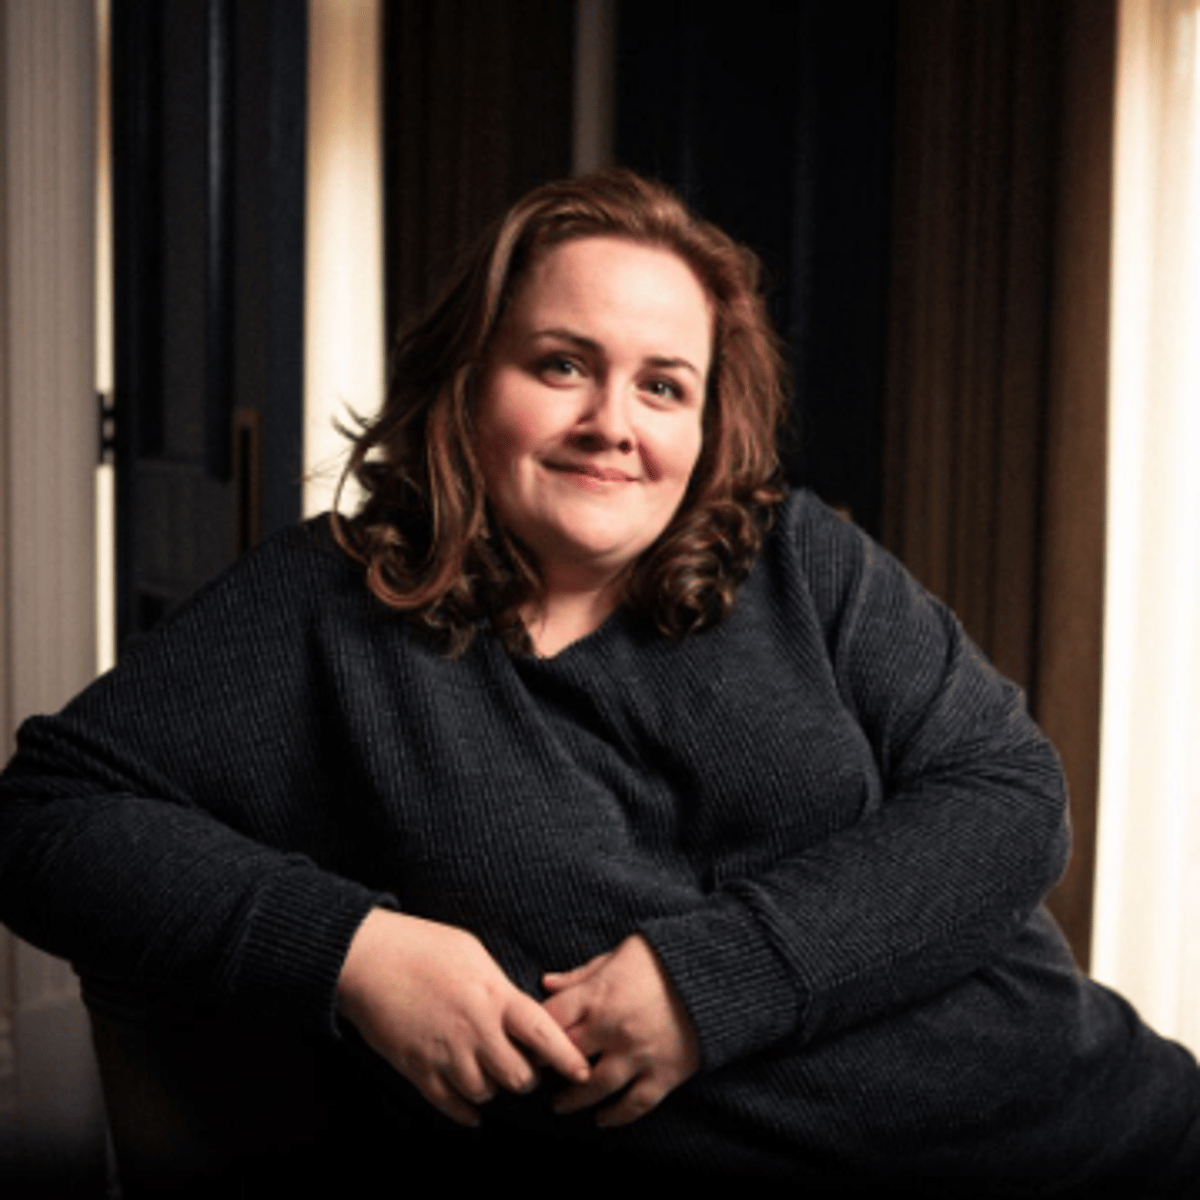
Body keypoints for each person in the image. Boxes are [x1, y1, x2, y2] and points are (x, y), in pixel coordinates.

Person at [0, 169, 1197, 1197]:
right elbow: (43, 816)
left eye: (662, 385)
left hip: (1112, 1133)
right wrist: (356, 952)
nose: (612, 423)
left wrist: (710, 980)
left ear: (707, 420)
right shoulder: (330, 607)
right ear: (468, 379)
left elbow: (1009, 795)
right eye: (562, 364)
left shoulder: (799, 559)